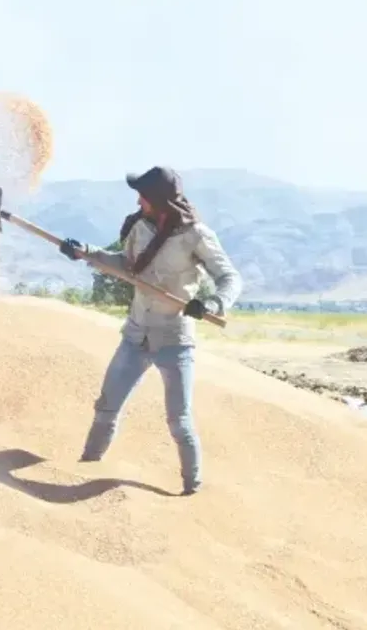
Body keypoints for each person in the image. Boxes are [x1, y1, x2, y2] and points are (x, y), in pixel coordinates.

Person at [58, 166, 242, 496]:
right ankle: (84, 467)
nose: (138, 201)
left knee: (179, 422)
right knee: (106, 408)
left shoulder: (195, 235)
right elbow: (126, 265)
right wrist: (86, 251)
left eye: (143, 195)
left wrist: (212, 304)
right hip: (135, 336)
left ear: (159, 200)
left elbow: (231, 278)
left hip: (175, 341)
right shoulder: (139, 228)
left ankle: (191, 490)